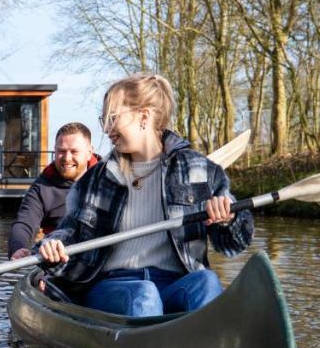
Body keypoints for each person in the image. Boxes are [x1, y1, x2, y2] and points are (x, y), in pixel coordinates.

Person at [37, 73, 252, 317]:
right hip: (112, 286)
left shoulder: (201, 170)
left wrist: (228, 219)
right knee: (144, 293)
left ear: (144, 117)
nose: (106, 128)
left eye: (113, 118)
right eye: (104, 119)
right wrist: (51, 246)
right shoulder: (95, 180)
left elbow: (234, 244)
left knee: (207, 281)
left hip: (175, 283)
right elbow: (71, 232)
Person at [7, 122, 100, 259]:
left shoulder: (108, 180)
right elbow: (24, 223)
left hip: (100, 258)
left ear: (89, 153)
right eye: (61, 151)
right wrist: (18, 247)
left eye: (74, 151)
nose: (67, 158)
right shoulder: (41, 188)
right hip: (57, 258)